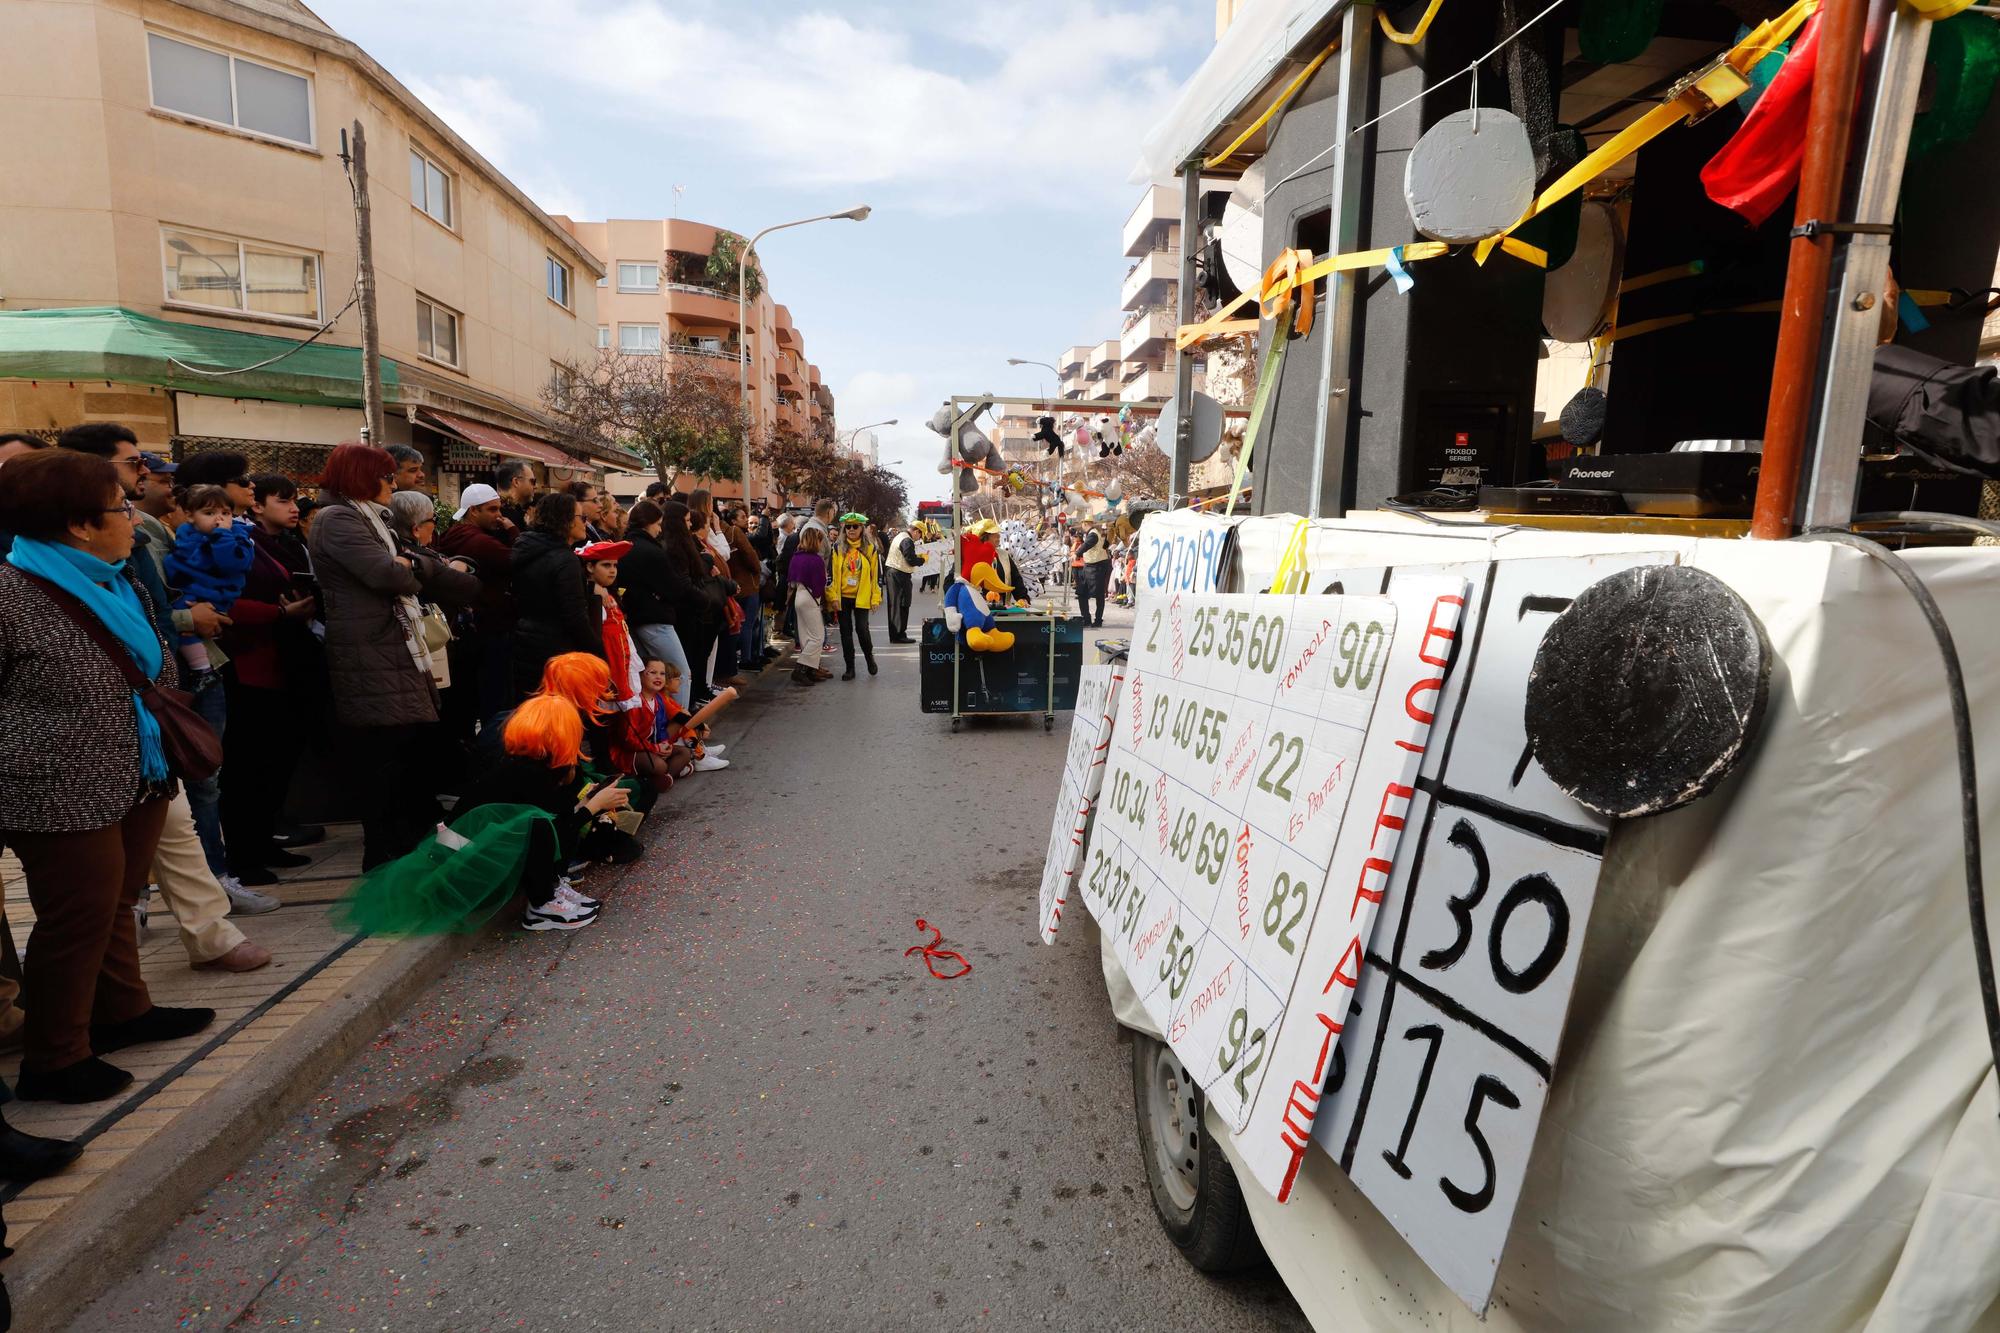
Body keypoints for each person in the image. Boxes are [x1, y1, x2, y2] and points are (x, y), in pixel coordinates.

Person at [0, 450, 216, 1102]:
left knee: (119, 896)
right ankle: (56, 1057)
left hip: (138, 768)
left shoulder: (119, 579)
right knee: (77, 915)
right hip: (56, 786)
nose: (133, 514)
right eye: (121, 505)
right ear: (80, 523)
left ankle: (125, 1010)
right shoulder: (11, 594)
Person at [309, 443, 467, 869]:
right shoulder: (339, 519)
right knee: (382, 756)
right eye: (386, 476)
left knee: (402, 750)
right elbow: (386, 573)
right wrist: (410, 569)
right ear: (363, 477)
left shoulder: (367, 518)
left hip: (389, 646)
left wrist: (407, 566)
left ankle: (402, 838)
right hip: (368, 649)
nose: (393, 484)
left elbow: (402, 568)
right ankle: (381, 850)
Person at [219, 475, 318, 892]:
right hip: (249, 665)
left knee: (277, 761)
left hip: (282, 662)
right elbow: (226, 600)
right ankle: (245, 854)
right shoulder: (232, 543)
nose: (294, 508)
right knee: (249, 766)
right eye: (284, 500)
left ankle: (265, 841)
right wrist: (279, 613)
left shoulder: (282, 543)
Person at [436, 482, 518, 724]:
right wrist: (513, 531)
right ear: (473, 511)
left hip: (472, 627)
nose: (499, 516)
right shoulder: (479, 541)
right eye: (492, 510)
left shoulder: (454, 535)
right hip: (489, 628)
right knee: (493, 697)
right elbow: (517, 559)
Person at [510, 491, 603, 700]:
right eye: (582, 518)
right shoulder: (564, 559)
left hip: (527, 643)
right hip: (558, 652)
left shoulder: (527, 548)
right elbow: (575, 617)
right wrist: (599, 652)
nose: (585, 524)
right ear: (566, 521)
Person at [618, 499, 695, 709]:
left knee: (648, 678)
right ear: (648, 523)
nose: (660, 530)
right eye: (657, 524)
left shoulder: (624, 548)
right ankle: (679, 732)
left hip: (634, 619)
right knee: (679, 674)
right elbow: (674, 589)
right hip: (656, 620)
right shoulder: (651, 551)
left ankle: (656, 730)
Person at [827, 513, 881, 681]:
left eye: (855, 526)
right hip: (842, 597)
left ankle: (869, 657)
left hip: (862, 596)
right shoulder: (837, 548)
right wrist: (833, 597)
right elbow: (832, 575)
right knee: (845, 632)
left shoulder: (870, 549)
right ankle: (850, 667)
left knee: (862, 629)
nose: (851, 529)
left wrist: (875, 598)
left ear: (861, 529)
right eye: (848, 526)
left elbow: (876, 577)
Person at [788, 526, 829, 687]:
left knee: (806, 636)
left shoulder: (796, 557)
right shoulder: (816, 560)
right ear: (815, 541)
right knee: (817, 637)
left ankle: (810, 670)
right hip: (810, 598)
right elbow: (820, 584)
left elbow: (790, 580)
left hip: (798, 594)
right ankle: (800, 669)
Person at [882, 524, 920, 643]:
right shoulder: (907, 540)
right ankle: (899, 635)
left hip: (894, 573)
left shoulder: (901, 536)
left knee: (895, 604)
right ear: (916, 531)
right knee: (902, 603)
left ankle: (896, 634)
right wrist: (922, 560)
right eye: (920, 534)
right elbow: (911, 559)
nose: (919, 538)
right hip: (899, 574)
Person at [1075, 523, 1110, 628]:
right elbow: (1106, 544)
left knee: (1098, 595)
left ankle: (1097, 620)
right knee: (1082, 593)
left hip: (1096, 567)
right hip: (1090, 566)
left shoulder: (1093, 534)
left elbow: (1087, 545)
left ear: (1085, 524)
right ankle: (1087, 619)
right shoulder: (1094, 534)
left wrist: (1077, 553)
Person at [494, 459, 536, 529]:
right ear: (516, 482)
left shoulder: (494, 510)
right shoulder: (511, 516)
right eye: (532, 481)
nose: (535, 486)